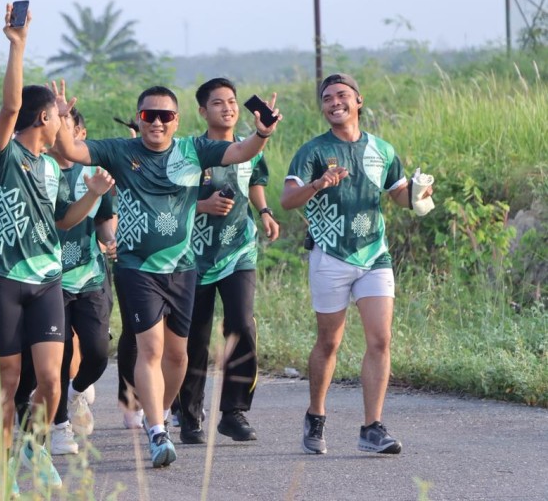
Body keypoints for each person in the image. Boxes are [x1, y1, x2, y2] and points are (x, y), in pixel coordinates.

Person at [52, 79, 280, 468]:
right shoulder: (120, 151)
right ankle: (157, 431)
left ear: (176, 121)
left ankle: (162, 413)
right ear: (139, 120)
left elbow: (243, 151)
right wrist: (58, 117)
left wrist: (262, 132)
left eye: (165, 116)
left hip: (183, 269)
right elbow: (69, 148)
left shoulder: (195, 150)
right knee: (151, 349)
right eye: (148, 115)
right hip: (136, 268)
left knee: (178, 356)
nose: (156, 123)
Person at [0, 5, 113, 494]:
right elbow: (11, 108)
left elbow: (62, 222)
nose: (67, 123)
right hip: (6, 278)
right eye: (60, 116)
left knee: (51, 381)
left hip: (48, 280)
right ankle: (3, 470)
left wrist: (93, 195)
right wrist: (18, 45)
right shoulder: (5, 152)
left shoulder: (54, 167)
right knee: (10, 378)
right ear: (43, 118)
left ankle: (33, 450)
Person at [280, 73, 434, 456]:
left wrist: (417, 193)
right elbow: (287, 200)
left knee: (380, 340)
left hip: (373, 255)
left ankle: (372, 428)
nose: (335, 102)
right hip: (330, 254)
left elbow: (398, 195)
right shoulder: (312, 152)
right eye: (328, 97)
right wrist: (318, 184)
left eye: (343, 95)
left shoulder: (382, 149)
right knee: (329, 341)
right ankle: (316, 415)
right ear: (323, 107)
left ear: (358, 101)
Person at [176, 78, 280, 445]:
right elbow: (169, 196)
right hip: (193, 256)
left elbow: (255, 180)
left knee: (241, 326)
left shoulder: (250, 147)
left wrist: (264, 210)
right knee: (194, 338)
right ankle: (188, 416)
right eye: (218, 103)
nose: (228, 108)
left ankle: (233, 413)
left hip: (239, 251)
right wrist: (200, 205)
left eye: (232, 101)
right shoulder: (188, 150)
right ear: (203, 111)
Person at [45, 107, 116, 456]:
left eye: (66, 125)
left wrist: (112, 239)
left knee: (98, 352)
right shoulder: (37, 170)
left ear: (78, 133)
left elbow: (105, 220)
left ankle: (77, 393)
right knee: (58, 357)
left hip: (90, 276)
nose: (59, 132)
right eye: (53, 123)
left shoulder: (94, 173)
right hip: (48, 279)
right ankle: (60, 428)